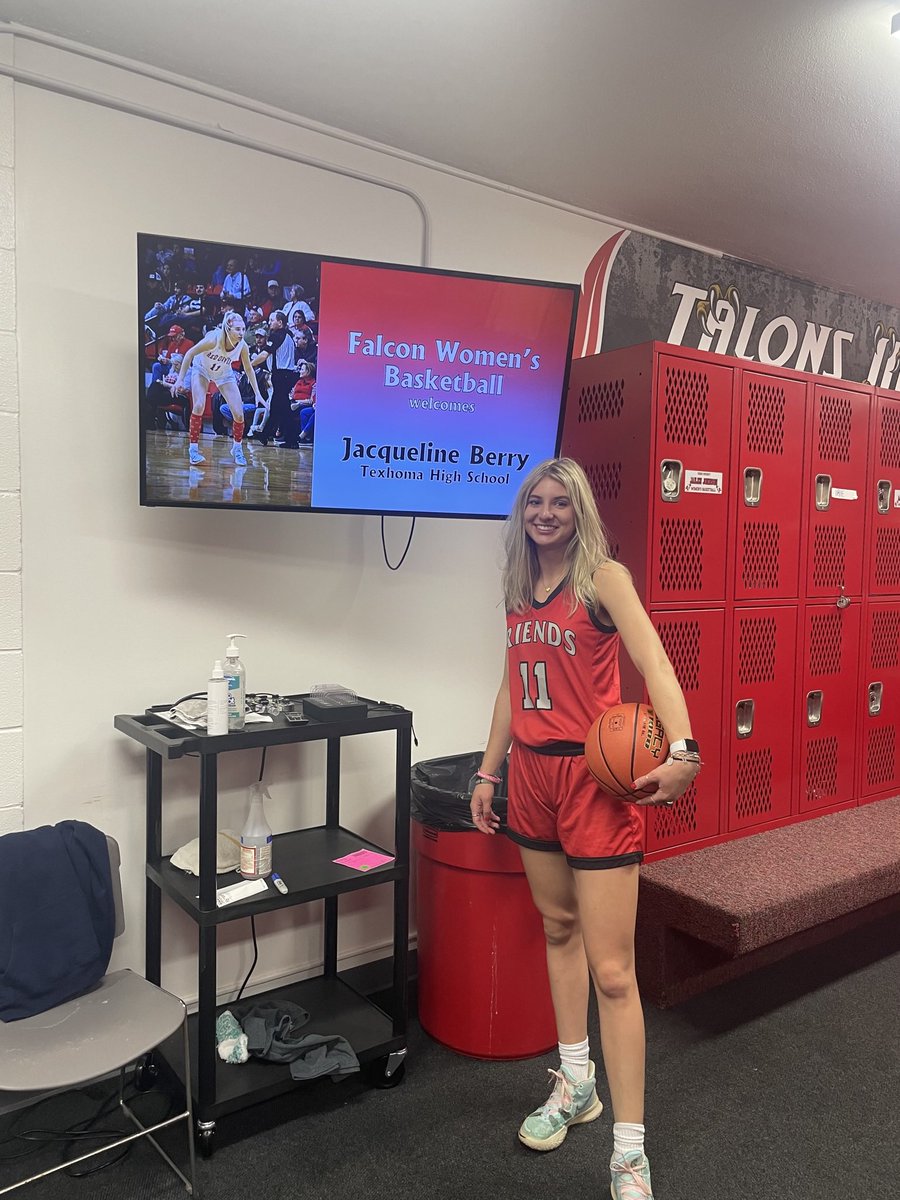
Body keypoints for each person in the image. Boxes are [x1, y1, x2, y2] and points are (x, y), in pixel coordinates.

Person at [470, 457, 700, 1200]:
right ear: (523, 512)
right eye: (534, 501)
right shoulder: (516, 585)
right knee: (557, 930)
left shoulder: (604, 579)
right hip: (532, 778)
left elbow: (654, 660)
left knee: (613, 969)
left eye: (558, 502)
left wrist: (685, 749)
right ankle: (576, 1084)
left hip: (594, 782)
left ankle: (628, 1151)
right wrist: (487, 769)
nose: (544, 512)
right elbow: (513, 680)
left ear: (579, 512)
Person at [174, 311, 266, 467]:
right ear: (228, 328)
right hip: (201, 369)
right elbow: (189, 353)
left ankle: (237, 449)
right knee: (199, 405)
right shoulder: (213, 340)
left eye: (243, 329)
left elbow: (249, 369)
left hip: (224, 374)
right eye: (238, 329)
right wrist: (180, 379)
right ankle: (193, 450)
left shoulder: (242, 346)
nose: (242, 333)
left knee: (239, 413)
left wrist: (257, 393)